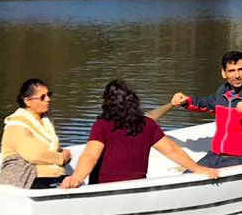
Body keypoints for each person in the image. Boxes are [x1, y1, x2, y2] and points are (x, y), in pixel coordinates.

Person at [61, 79, 220, 189]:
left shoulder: (102, 125)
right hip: (136, 187)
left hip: (103, 188)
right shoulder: (147, 125)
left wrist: (77, 178)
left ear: (106, 103)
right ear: (134, 101)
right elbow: (172, 150)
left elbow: (90, 155)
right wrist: (198, 169)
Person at [170, 50, 242, 169]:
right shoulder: (223, 92)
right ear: (224, 73)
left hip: (241, 158)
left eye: (240, 69)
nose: (237, 75)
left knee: (206, 177)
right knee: (190, 175)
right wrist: (186, 101)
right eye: (231, 71)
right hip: (215, 155)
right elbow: (207, 104)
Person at [0, 78, 71, 189]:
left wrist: (63, 154)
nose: (48, 99)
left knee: (74, 183)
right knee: (67, 186)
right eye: (42, 97)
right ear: (27, 101)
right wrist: (61, 158)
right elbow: (33, 154)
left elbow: (51, 148)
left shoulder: (45, 121)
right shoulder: (16, 124)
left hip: (50, 175)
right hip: (26, 178)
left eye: (49, 95)